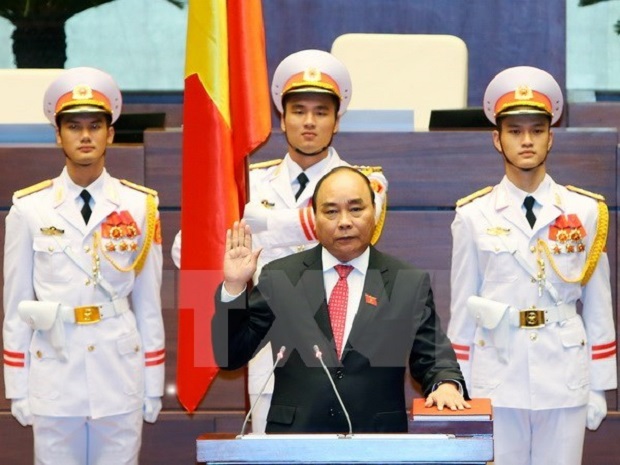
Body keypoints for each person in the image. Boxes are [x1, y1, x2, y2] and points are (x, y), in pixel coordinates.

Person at [171, 49, 388, 433]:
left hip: (340, 346)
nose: (309, 122)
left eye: (321, 112)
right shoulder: (246, 182)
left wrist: (260, 223)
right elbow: (185, 249)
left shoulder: (365, 183)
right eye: (298, 111)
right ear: (282, 119)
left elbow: (334, 230)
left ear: (337, 121)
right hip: (270, 346)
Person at [213, 166, 468, 434]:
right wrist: (234, 286)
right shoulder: (281, 277)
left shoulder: (406, 281)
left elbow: (433, 354)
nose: (344, 221)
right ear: (314, 218)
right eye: (331, 211)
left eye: (356, 209)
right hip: (296, 441)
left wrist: (446, 384)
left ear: (375, 213)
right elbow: (230, 355)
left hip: (376, 441)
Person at [447, 66, 617, 465]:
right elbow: (463, 308)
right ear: (497, 138)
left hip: (565, 373)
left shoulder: (586, 210)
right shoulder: (473, 215)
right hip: (497, 374)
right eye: (515, 131)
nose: (527, 140)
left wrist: (600, 385)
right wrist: (461, 384)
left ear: (550, 137)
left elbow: (598, 303)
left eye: (537, 130)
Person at [2, 67, 165, 465]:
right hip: (54, 372)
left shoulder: (139, 206)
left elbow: (148, 302)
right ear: (58, 135)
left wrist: (154, 383)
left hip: (119, 371)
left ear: (111, 133)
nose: (86, 136)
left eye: (96, 125)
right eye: (74, 126)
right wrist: (17, 386)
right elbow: (16, 303)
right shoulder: (30, 208)